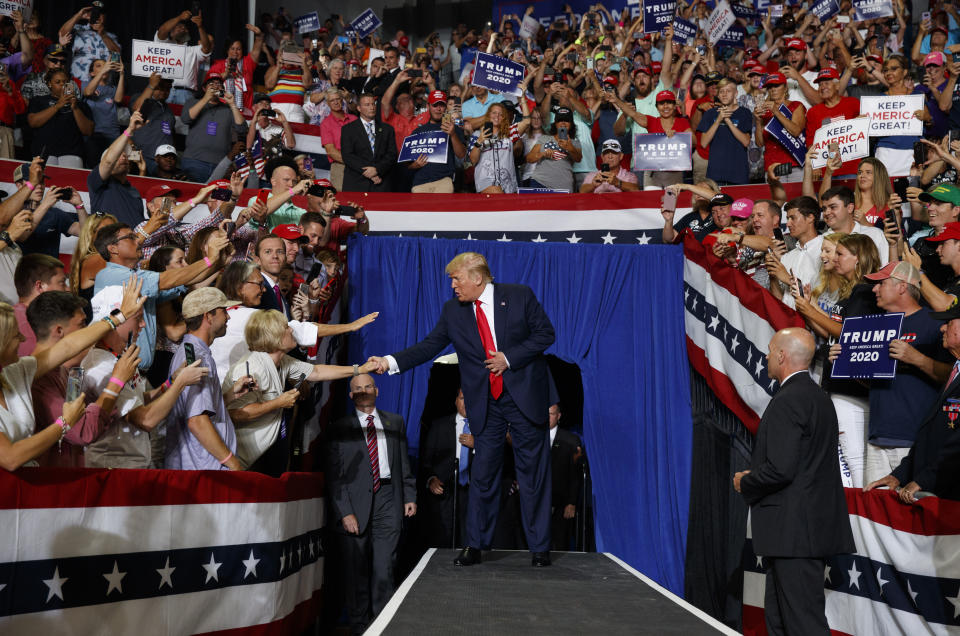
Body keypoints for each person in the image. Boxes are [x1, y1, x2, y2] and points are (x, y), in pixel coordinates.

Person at [367, 251, 556, 567]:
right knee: (483, 474)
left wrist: (509, 358)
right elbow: (429, 346)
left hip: (523, 396)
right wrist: (389, 362)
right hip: (485, 402)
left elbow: (545, 334)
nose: (453, 285)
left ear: (477, 278)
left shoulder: (519, 296)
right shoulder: (453, 311)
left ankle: (539, 548)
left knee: (532, 474)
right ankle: (476, 545)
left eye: (457, 279)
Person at [734, 328, 854, 636]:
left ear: (782, 356)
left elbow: (781, 469)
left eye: (770, 350)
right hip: (800, 534)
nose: (765, 356)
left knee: (802, 625)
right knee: (780, 623)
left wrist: (746, 482)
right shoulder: (819, 398)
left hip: (795, 534)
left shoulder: (789, 400)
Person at [0, 278, 144, 472]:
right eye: (14, 336)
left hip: (60, 482)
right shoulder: (38, 380)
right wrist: (115, 382)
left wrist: (119, 316)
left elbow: (68, 346)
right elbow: (10, 458)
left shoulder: (20, 371)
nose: (23, 338)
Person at [829, 262, 952, 485]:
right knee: (875, 514)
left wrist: (917, 358)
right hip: (877, 435)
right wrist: (849, 363)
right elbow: (873, 382)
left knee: (908, 516)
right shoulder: (875, 325)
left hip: (913, 439)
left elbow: (951, 377)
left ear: (902, 287)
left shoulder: (934, 323)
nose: (874, 289)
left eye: (881, 284)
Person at [225, 309, 379, 475]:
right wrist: (278, 403)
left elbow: (317, 372)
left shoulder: (281, 361)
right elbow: (234, 414)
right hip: (244, 459)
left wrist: (359, 369)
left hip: (266, 451)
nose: (292, 330)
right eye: (286, 327)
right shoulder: (253, 367)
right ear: (273, 336)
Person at [325, 373, 416, 634]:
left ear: (377, 391)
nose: (364, 391)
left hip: (388, 500)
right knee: (356, 573)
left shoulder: (394, 422)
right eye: (358, 389)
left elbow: (403, 464)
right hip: (354, 506)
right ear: (351, 395)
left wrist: (410, 495)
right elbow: (335, 475)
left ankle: (383, 625)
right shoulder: (339, 428)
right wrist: (345, 512)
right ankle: (360, 627)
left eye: (368, 387)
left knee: (384, 568)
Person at [93, 221, 231, 371]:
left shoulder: (135, 275)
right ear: (113, 249)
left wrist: (220, 260)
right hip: (117, 368)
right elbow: (169, 279)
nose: (138, 240)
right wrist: (209, 260)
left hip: (136, 373)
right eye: (130, 237)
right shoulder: (112, 275)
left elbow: (189, 281)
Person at [865, 302, 960, 502]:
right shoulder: (955, 372)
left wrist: (925, 479)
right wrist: (898, 475)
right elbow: (929, 436)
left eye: (949, 322)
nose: (942, 328)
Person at [166, 287, 255, 471]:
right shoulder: (197, 357)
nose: (228, 317)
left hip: (201, 466)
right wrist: (232, 463)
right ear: (208, 316)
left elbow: (196, 409)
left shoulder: (192, 351)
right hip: (203, 469)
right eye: (224, 311)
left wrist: (229, 396)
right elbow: (197, 421)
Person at [421, 388, 472, 548]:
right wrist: (431, 479)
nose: (467, 403)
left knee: (469, 538)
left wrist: (477, 445)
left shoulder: (485, 428)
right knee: (443, 539)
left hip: (473, 491)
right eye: (463, 398)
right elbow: (426, 461)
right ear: (456, 401)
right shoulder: (439, 426)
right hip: (445, 491)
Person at [181, 72, 248, 183]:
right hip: (194, 161)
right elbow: (186, 119)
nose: (216, 86)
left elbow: (242, 129)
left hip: (220, 164)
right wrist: (206, 98)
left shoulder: (228, 108)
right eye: (212, 83)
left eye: (219, 84)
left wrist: (232, 104)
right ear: (204, 88)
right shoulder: (193, 102)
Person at [87, 112, 148, 227]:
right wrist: (130, 129)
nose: (124, 156)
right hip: (110, 242)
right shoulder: (96, 182)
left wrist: (142, 171)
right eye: (119, 154)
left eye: (125, 154)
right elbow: (108, 161)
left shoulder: (133, 190)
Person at [26, 69, 93, 168]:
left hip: (72, 153)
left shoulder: (80, 105)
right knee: (44, 183)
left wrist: (75, 108)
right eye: (58, 82)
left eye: (65, 82)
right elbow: (33, 122)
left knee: (70, 183)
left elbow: (88, 131)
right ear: (49, 84)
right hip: (44, 152)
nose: (62, 84)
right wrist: (58, 105)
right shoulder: (38, 101)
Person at [407, 90, 466, 194]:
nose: (438, 109)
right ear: (428, 106)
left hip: (443, 181)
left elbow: (461, 155)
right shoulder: (418, 131)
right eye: (435, 105)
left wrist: (452, 135)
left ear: (446, 107)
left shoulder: (453, 128)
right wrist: (414, 165)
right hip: (420, 183)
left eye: (442, 105)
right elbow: (407, 164)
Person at [697, 79, 753, 186]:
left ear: (736, 93)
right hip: (715, 174)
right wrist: (718, 120)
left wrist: (728, 121)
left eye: (728, 91)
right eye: (721, 91)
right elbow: (704, 143)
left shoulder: (744, 113)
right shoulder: (710, 114)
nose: (724, 94)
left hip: (738, 174)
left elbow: (746, 142)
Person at [12, 253, 68, 356]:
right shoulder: (28, 324)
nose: (68, 289)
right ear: (40, 286)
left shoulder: (15, 316)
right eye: (62, 283)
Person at [340, 93, 397, 192]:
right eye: (367, 105)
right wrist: (369, 172)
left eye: (373, 104)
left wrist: (377, 170)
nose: (372, 107)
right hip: (357, 184)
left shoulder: (387, 129)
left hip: (381, 184)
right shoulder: (348, 129)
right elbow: (348, 156)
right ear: (359, 108)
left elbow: (391, 154)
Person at [154, 10, 213, 104]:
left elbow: (206, 48)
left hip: (186, 94)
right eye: (179, 27)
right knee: (162, 118)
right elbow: (162, 31)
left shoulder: (193, 50)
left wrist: (200, 26)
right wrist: (179, 18)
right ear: (171, 32)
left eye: (185, 28)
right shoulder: (164, 46)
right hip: (164, 91)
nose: (182, 28)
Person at [524, 106, 581, 192]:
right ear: (555, 123)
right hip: (540, 182)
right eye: (560, 120)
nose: (563, 123)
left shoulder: (575, 143)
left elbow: (578, 159)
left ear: (571, 124)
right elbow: (529, 158)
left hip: (563, 186)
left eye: (566, 120)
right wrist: (542, 154)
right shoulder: (544, 138)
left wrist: (570, 147)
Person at [59, 5, 121, 85]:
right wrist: (78, 16)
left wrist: (102, 35)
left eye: (100, 13)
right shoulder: (78, 30)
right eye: (94, 13)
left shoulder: (111, 37)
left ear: (105, 16)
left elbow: (117, 57)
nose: (97, 16)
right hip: (78, 84)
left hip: (103, 88)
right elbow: (62, 34)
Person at [549, 402, 581, 551]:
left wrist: (572, 502)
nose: (547, 417)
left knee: (561, 543)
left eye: (551, 414)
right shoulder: (534, 438)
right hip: (540, 501)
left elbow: (575, 474)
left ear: (558, 416)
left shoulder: (570, 440)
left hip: (562, 502)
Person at [319, 88, 357, 192]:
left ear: (342, 100)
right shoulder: (325, 124)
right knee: (342, 200)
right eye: (332, 100)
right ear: (328, 103)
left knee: (361, 197)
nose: (336, 102)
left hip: (359, 165)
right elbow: (331, 151)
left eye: (338, 99)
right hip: (340, 167)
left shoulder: (354, 119)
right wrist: (353, 162)